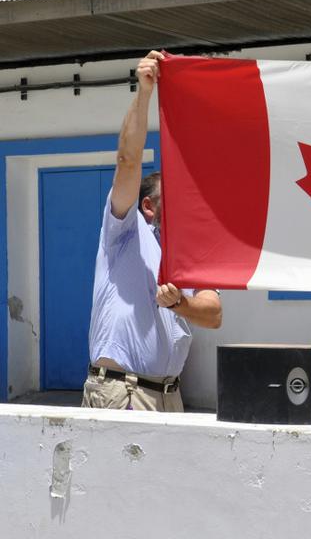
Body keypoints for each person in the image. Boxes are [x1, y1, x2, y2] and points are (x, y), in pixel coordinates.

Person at [83, 50, 223, 412]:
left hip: (168, 396)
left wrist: (182, 303)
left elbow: (214, 313)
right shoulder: (127, 230)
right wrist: (145, 93)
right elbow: (128, 159)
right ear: (149, 207)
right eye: (175, 198)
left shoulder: (193, 248)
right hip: (122, 394)